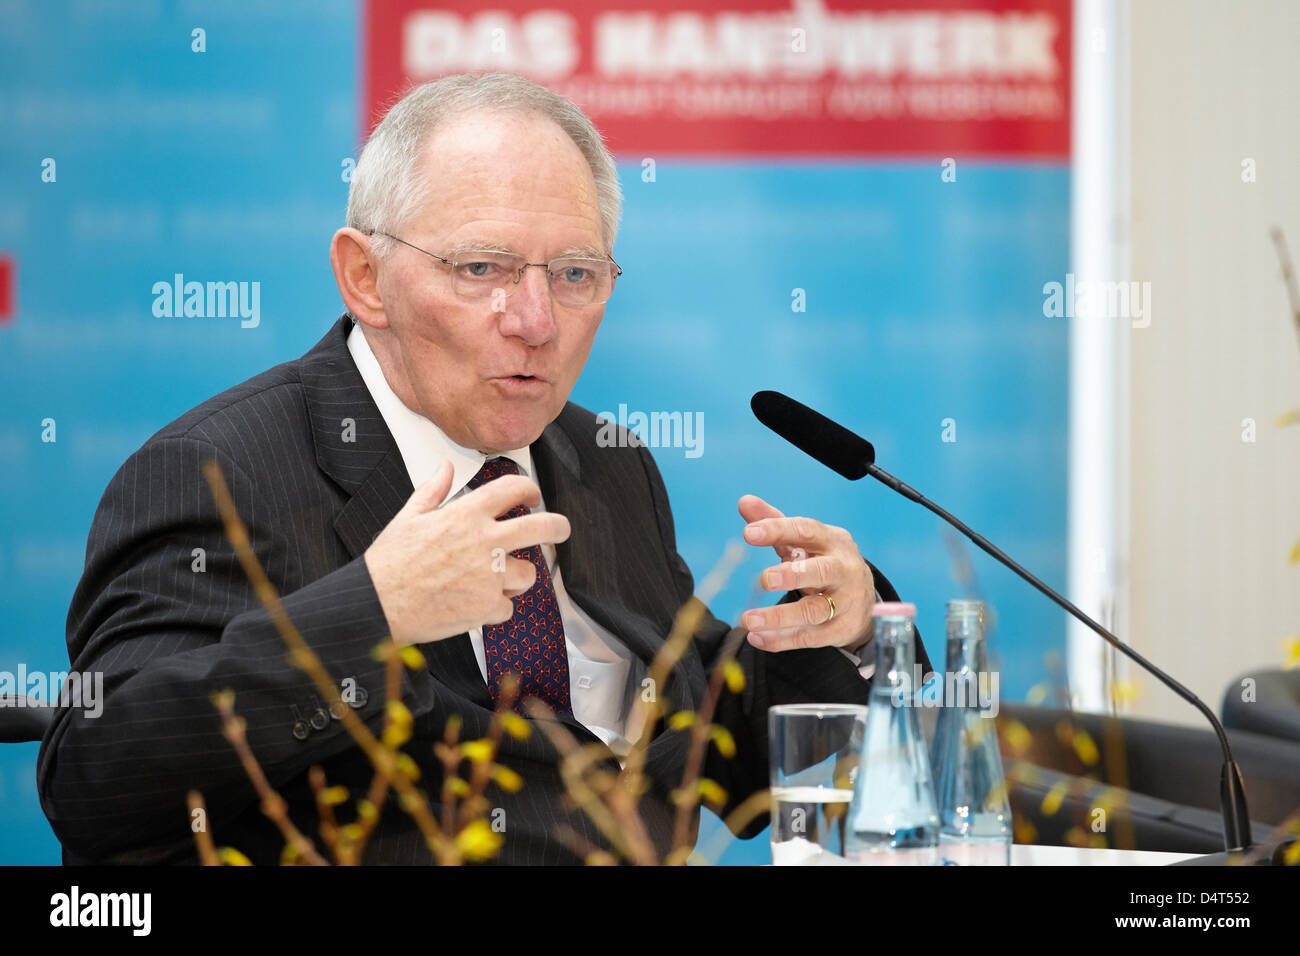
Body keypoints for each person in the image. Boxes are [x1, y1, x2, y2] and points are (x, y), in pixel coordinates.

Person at [37, 72, 929, 865]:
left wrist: (847, 637)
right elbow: (95, 780)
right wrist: (373, 610)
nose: (535, 319)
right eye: (481, 267)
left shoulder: (602, 463)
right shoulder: (220, 470)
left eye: (575, 273)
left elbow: (707, 754)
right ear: (365, 278)